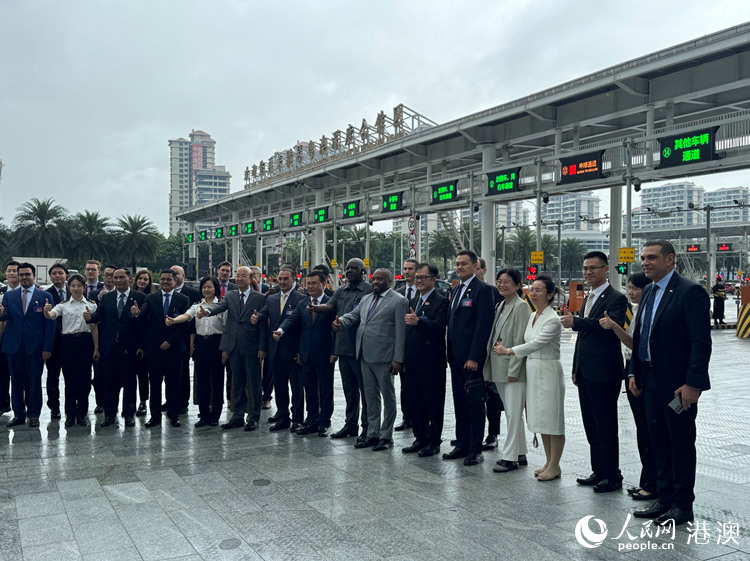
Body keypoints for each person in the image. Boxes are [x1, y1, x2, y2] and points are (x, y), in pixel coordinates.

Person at [631, 240, 711, 526]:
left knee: (680, 442)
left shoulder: (690, 292)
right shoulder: (649, 291)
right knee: (658, 441)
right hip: (650, 379)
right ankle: (664, 498)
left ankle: (682, 505)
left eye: (652, 257)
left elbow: (701, 343)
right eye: (643, 258)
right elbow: (642, 336)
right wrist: (634, 373)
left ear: (670, 260)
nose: (645, 263)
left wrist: (693, 384)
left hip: (678, 386)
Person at [561, 250, 628, 493]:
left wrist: (576, 323)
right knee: (591, 424)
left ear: (606, 269)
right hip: (586, 372)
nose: (588, 272)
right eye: (585, 268)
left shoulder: (616, 298)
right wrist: (575, 367)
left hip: (605, 372)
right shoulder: (589, 297)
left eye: (593, 268)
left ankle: (612, 475)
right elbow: (583, 339)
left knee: (605, 425)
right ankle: (598, 470)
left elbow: (608, 328)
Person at [496, 274, 565, 481]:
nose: (533, 294)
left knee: (553, 420)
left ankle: (555, 465)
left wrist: (509, 351)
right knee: (541, 419)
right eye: (532, 289)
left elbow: (535, 343)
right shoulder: (534, 315)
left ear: (550, 294)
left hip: (548, 370)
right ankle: (548, 462)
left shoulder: (553, 319)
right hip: (533, 370)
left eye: (538, 290)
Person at [334, 269, 407, 451]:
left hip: (385, 357)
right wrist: (341, 321)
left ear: (390, 281)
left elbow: (401, 332)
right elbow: (354, 315)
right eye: (374, 279)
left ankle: (386, 436)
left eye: (380, 279)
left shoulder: (399, 301)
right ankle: (372, 434)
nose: (375, 282)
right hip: (364, 354)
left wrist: (398, 359)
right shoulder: (366, 299)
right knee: (370, 397)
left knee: (387, 397)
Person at [599, 272, 656, 501]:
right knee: (643, 431)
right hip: (633, 371)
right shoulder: (638, 311)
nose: (630, 292)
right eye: (629, 287)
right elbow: (632, 344)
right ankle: (647, 480)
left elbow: (637, 345)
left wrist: (614, 326)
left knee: (650, 432)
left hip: (644, 374)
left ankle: (651, 483)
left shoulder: (649, 311)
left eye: (635, 288)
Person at [198, 266, 266, 431]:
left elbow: (264, 324)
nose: (240, 279)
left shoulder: (260, 298)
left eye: (243, 276)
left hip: (251, 346)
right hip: (233, 346)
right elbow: (219, 306)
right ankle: (238, 416)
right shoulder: (230, 295)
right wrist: (207, 311)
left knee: (253, 383)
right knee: (237, 382)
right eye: (238, 276)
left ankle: (254, 417)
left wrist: (262, 347)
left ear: (251, 278)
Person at [443, 250, 494, 466]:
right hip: (455, 357)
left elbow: (483, 326)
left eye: (464, 263)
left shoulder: (482, 290)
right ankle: (461, 443)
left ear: (475, 266)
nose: (459, 267)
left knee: (474, 403)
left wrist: (474, 357)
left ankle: (475, 449)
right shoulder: (456, 289)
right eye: (457, 263)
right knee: (459, 402)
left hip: (471, 360)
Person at [315, 258, 372, 443]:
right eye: (347, 268)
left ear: (363, 271)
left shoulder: (368, 290)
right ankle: (351, 424)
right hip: (343, 347)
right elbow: (330, 306)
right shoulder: (341, 290)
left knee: (365, 391)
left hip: (360, 348)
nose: (349, 271)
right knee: (349, 390)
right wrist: (315, 307)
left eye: (354, 268)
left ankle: (367, 427)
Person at [276, 271, 337, 436]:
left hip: (324, 354)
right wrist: (280, 331)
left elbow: (335, 331)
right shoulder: (302, 303)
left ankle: (324, 421)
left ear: (323, 284)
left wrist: (334, 352)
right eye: (308, 283)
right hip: (306, 354)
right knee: (309, 389)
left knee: (325, 389)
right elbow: (292, 320)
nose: (310, 286)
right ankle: (312, 420)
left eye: (314, 283)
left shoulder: (331, 303)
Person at [484, 268, 531, 473]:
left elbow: (520, 340)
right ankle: (520, 452)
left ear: (518, 285)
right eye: (500, 281)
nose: (502, 285)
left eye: (507, 282)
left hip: (512, 368)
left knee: (512, 413)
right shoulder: (501, 305)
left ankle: (510, 457)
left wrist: (514, 369)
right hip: (499, 366)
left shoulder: (521, 307)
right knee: (513, 413)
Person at [130, 269, 190, 427]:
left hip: (174, 349)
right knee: (155, 385)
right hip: (155, 349)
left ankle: (173, 415)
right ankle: (154, 416)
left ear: (175, 281)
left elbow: (184, 325)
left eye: (168, 279)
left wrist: (170, 342)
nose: (165, 282)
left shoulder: (183, 299)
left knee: (174, 384)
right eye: (162, 279)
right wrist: (136, 313)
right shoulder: (151, 298)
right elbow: (142, 315)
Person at [401, 263, 449, 457]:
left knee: (433, 404)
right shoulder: (412, 300)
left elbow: (439, 326)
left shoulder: (441, 301)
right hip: (412, 361)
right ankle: (419, 437)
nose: (419, 280)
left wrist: (419, 322)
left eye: (423, 277)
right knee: (415, 402)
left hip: (432, 362)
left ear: (433, 279)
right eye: (417, 277)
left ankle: (433, 441)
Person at [87, 268, 145, 428]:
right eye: (115, 277)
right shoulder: (107, 298)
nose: (118, 280)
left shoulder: (140, 297)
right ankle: (109, 415)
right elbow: (99, 316)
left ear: (129, 278)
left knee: (130, 383)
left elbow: (144, 324)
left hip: (130, 348)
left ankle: (129, 415)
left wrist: (141, 345)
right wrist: (89, 317)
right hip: (109, 347)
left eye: (121, 277)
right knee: (109, 383)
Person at [0, 262, 56, 428]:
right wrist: (1, 313)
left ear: (34, 276)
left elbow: (50, 324)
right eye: (21, 275)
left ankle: (33, 414)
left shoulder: (44, 296)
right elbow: (5, 317)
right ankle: (19, 414)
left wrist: (47, 347)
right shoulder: (9, 296)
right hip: (14, 346)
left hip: (35, 347)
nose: (24, 277)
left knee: (34, 382)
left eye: (27, 274)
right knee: (16, 382)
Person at [166, 276, 226, 427]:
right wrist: (174, 320)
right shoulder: (197, 305)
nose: (206, 290)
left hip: (217, 343)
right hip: (201, 344)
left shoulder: (222, 305)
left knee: (217, 380)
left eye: (209, 287)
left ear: (215, 288)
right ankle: (204, 414)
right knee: (202, 381)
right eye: (204, 287)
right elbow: (187, 316)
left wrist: (225, 349)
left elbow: (226, 328)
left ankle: (215, 415)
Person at [43, 274, 100, 427]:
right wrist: (46, 311)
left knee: (85, 380)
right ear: (69, 288)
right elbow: (51, 316)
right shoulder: (63, 305)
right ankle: (70, 414)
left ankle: (82, 413)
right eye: (73, 286)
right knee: (69, 380)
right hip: (68, 343)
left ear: (84, 287)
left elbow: (94, 328)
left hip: (85, 342)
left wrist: (96, 348)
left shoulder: (91, 305)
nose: (76, 288)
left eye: (79, 286)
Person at [253, 268, 306, 432]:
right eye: (280, 279)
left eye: (285, 279)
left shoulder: (301, 299)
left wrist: (301, 350)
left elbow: (303, 327)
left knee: (297, 388)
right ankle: (283, 417)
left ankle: (297, 419)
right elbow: (264, 314)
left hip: (293, 351)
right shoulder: (272, 298)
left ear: (293, 280)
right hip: (275, 351)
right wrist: (256, 317)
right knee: (280, 386)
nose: (282, 282)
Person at [171, 265, 201, 415]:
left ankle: (183, 402)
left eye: (176, 273)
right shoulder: (164, 292)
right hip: (167, 339)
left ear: (183, 275)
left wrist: (192, 341)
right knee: (169, 373)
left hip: (185, 337)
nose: (174, 276)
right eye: (172, 273)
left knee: (183, 371)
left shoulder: (193, 294)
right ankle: (171, 400)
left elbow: (195, 318)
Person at [395, 258, 418, 433]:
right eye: (405, 268)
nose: (407, 272)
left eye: (410, 268)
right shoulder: (398, 293)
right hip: (403, 345)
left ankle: (420, 418)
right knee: (405, 385)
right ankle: (407, 417)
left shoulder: (425, 293)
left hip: (419, 345)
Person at [45, 262, 68, 420]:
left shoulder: (75, 290)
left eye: (60, 273)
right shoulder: (46, 294)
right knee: (53, 376)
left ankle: (73, 405)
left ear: (66, 275)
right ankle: (54, 406)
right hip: (54, 342)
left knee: (71, 376)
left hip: (72, 342)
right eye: (54, 273)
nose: (57, 276)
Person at [0, 260, 21, 416]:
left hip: (20, 339)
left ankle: (21, 407)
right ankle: (3, 404)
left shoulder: (27, 292)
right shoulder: (1, 292)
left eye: (15, 271)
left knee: (19, 375)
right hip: (2, 338)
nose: (12, 273)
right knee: (2, 373)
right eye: (9, 271)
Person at [84, 260, 105, 413]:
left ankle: (101, 402)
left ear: (99, 272)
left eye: (93, 269)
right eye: (88, 269)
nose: (90, 272)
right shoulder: (77, 286)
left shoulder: (104, 289)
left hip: (99, 334)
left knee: (99, 373)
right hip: (81, 335)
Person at [133, 269, 154, 416]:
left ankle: (143, 402)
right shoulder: (130, 295)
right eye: (140, 278)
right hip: (129, 341)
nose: (142, 281)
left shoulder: (151, 298)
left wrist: (143, 345)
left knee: (143, 374)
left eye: (146, 279)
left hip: (145, 342)